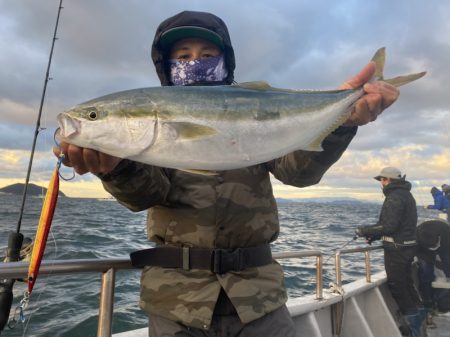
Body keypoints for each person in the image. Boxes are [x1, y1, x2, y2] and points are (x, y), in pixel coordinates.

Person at [54, 10, 401, 337]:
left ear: (225, 61)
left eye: (207, 54)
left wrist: (342, 120)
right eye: (184, 55)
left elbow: (299, 174)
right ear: (167, 66)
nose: (195, 61)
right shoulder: (146, 138)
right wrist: (116, 169)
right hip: (176, 301)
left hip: (257, 297)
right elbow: (146, 195)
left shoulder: (253, 106)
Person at [355, 167, 424, 337]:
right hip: (407, 247)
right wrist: (375, 235)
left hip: (397, 250)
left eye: (383, 180)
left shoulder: (394, 197)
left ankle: (413, 328)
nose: (381, 183)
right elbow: (395, 226)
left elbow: (389, 226)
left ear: (389, 180)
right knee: (407, 283)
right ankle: (419, 317)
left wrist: (364, 231)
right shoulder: (405, 195)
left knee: (398, 286)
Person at [416, 220, 450, 317]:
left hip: (445, 242)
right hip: (423, 249)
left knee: (448, 262)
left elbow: (446, 257)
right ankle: (428, 303)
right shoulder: (417, 237)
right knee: (425, 273)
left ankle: (444, 303)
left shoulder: (446, 233)